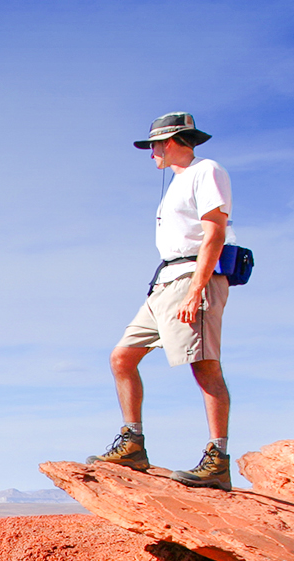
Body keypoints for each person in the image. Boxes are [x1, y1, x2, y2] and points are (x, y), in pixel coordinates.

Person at [89, 112, 236, 489]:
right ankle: (133, 444)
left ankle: (218, 459)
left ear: (170, 142)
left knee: (204, 366)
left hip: (191, 277)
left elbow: (214, 234)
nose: (151, 152)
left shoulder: (207, 171)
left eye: (153, 145)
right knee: (122, 357)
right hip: (166, 281)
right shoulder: (178, 181)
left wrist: (196, 289)